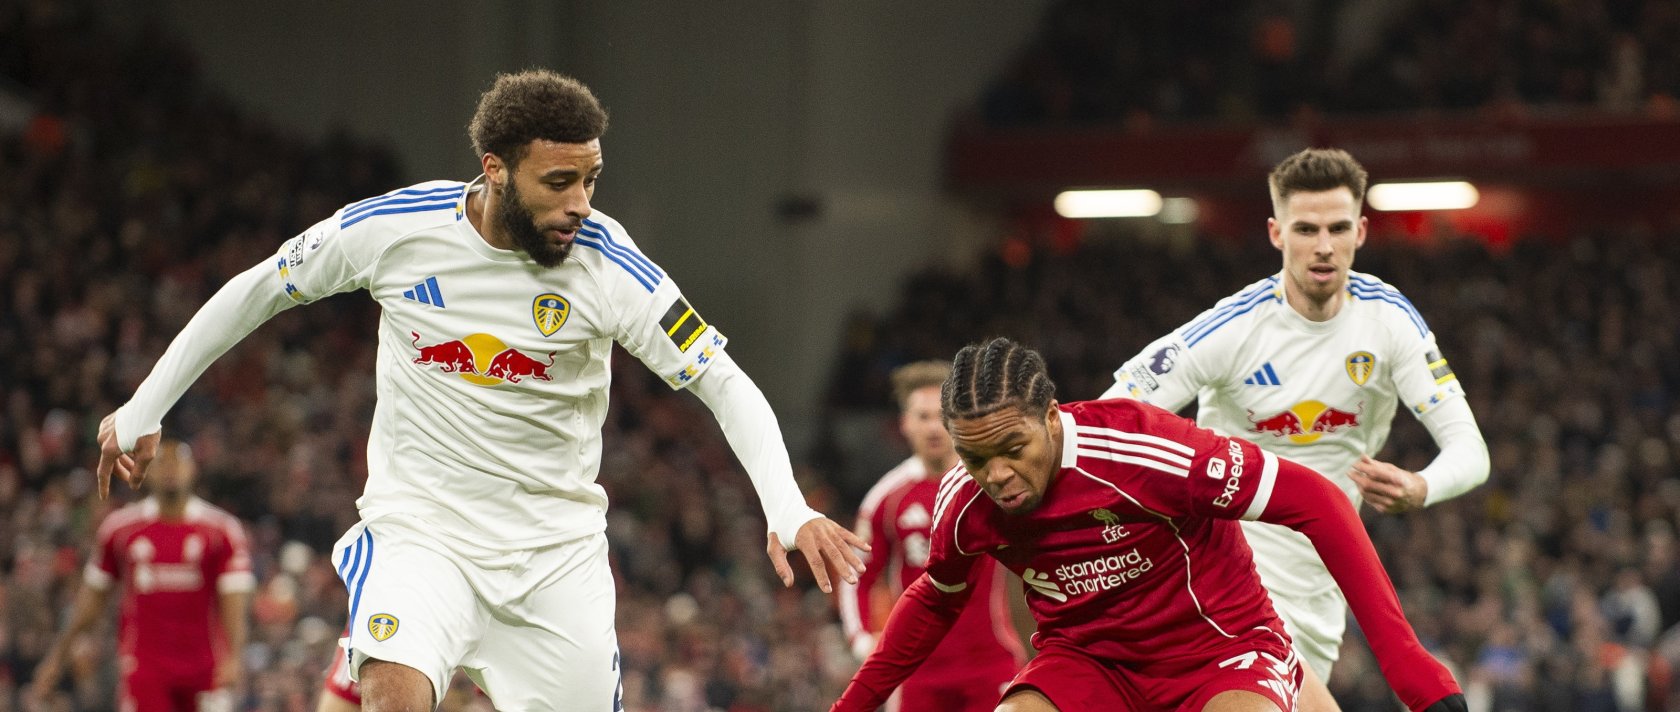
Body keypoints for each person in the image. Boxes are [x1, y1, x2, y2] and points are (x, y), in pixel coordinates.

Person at [92, 69, 866, 711]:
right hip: (423, 533)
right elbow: (260, 289)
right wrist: (145, 406)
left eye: (591, 179)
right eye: (558, 181)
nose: (581, 204)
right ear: (494, 168)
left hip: (554, 557)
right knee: (393, 688)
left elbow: (722, 380)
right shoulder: (400, 230)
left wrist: (786, 504)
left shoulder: (608, 265)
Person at [833, 338, 1467, 712]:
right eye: (976, 457)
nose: (996, 474)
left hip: (1219, 655)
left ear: (1052, 417)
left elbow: (1319, 503)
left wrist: (1409, 664)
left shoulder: (1145, 449)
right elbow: (934, 598)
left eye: (1012, 446)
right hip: (1087, 665)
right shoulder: (963, 501)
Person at [1101, 147, 1489, 706]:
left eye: (1337, 228)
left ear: (1361, 230)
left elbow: (1471, 450)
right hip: (1223, 570)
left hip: (1321, 582)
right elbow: (1114, 413)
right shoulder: (1235, 326)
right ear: (1276, 233)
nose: (1324, 246)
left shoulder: (1390, 322)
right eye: (1306, 228)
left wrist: (1421, 486)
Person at [836, 361, 1027, 711]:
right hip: (916, 672)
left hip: (989, 663)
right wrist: (861, 639)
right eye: (922, 417)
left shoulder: (990, 482)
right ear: (904, 424)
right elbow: (855, 574)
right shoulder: (886, 498)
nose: (933, 427)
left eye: (940, 415)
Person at [33, 439, 252, 712]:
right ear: (147, 470)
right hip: (145, 669)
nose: (170, 470)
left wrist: (234, 657)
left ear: (193, 470)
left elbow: (234, 601)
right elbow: (90, 602)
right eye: (162, 463)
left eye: (177, 462)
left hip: (206, 669)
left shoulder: (221, 531)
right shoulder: (121, 529)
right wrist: (57, 658)